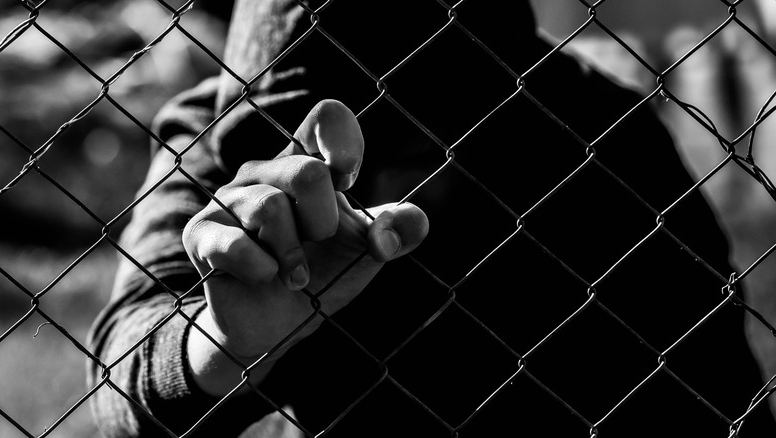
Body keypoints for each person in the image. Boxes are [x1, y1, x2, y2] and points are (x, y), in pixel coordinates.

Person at [87, 1, 776, 436]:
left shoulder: (601, 140)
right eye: (282, 126)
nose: (335, 169)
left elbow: (718, 396)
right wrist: (223, 342)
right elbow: (122, 387)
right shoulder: (215, 132)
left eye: (395, 132)